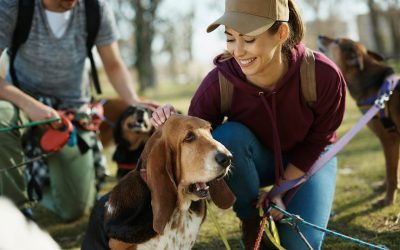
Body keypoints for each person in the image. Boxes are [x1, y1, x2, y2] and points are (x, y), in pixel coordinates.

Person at [151, 0, 346, 249]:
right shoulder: (218, 83)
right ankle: (251, 222)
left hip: (310, 158)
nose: (238, 51)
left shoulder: (323, 75)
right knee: (228, 136)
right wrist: (169, 119)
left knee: (297, 245)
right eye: (231, 39)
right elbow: (191, 140)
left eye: (249, 39)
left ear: (282, 33)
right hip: (254, 160)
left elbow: (320, 139)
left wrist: (280, 190)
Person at [0, 0, 156, 221]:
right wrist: (30, 105)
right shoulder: (12, 6)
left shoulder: (96, 8)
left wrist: (134, 102)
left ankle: (37, 187)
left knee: (74, 210)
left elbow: (112, 64)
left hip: (72, 112)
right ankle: (14, 212)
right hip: (22, 104)